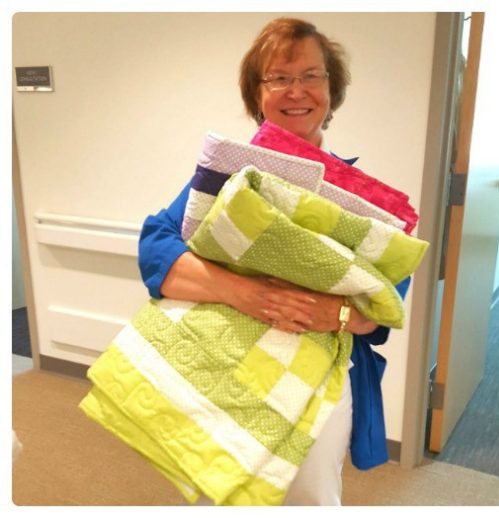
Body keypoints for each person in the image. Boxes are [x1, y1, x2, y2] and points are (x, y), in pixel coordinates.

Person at [138, 18, 402, 505]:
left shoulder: (362, 197)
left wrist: (340, 314)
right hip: (222, 364)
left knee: (309, 496)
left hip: (315, 379)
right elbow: (156, 248)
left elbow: (388, 301)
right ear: (257, 93)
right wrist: (249, 294)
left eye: (311, 75)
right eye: (279, 77)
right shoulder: (229, 174)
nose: (296, 91)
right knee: (220, 491)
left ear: (331, 87)